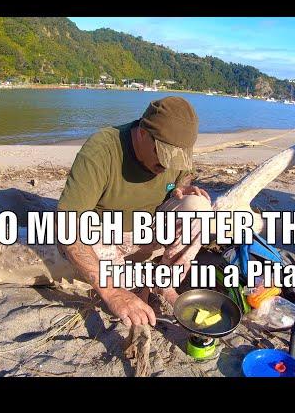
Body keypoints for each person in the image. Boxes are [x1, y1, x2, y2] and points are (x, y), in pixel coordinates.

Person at [57, 96, 211, 328]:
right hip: (104, 235)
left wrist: (180, 188)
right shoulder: (101, 151)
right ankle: (132, 285)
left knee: (199, 208)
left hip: (147, 230)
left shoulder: (175, 155)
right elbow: (66, 227)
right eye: (163, 156)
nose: (167, 166)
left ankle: (164, 280)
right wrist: (112, 292)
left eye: (175, 159)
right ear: (142, 133)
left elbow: (183, 175)